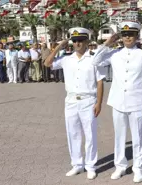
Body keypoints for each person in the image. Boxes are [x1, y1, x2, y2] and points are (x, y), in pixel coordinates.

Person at [92, 21, 142, 183]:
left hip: (137, 101)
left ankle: (138, 168)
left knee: (138, 136)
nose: (128, 37)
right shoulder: (114, 54)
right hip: (118, 101)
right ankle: (120, 166)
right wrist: (107, 43)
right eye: (125, 34)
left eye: (131, 34)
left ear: (136, 36)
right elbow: (95, 61)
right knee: (119, 136)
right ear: (121, 36)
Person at [44, 27, 105, 180]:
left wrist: (99, 103)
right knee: (73, 134)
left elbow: (100, 83)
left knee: (90, 135)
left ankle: (91, 165)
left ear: (86, 42)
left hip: (88, 101)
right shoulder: (66, 59)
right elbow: (46, 63)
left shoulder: (94, 59)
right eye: (74, 41)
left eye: (80, 41)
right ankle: (77, 164)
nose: (77, 44)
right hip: (71, 101)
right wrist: (58, 47)